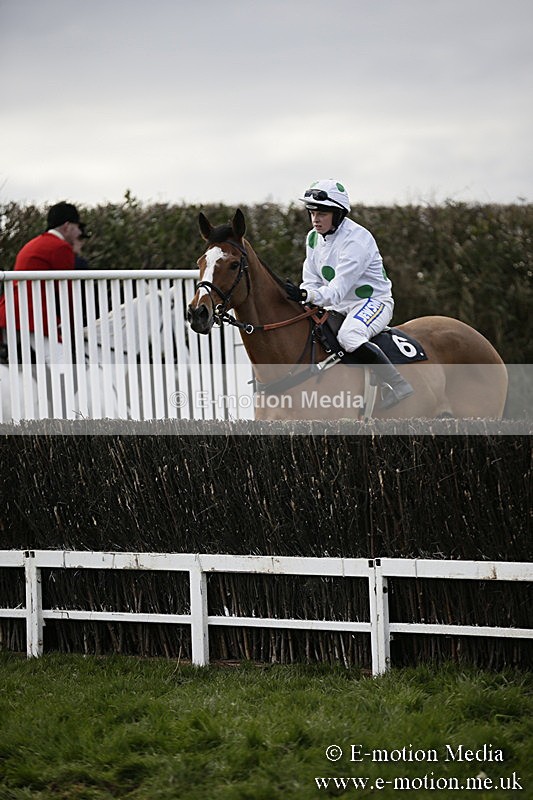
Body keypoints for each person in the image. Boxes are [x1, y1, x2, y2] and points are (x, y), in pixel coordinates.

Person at [285, 179, 413, 409]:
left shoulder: (357, 240)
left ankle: (398, 384)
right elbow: (312, 280)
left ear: (338, 214)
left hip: (373, 302)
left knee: (349, 336)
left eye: (322, 213)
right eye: (312, 212)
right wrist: (303, 295)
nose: (315, 219)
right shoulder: (312, 237)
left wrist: (306, 295)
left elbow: (335, 291)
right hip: (339, 306)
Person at [0, 201, 85, 364]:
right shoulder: (60, 247)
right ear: (67, 226)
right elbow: (66, 292)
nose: (78, 233)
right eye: (76, 228)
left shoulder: (35, 243)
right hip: (30, 317)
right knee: (63, 363)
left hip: (9, 314)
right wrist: (74, 326)